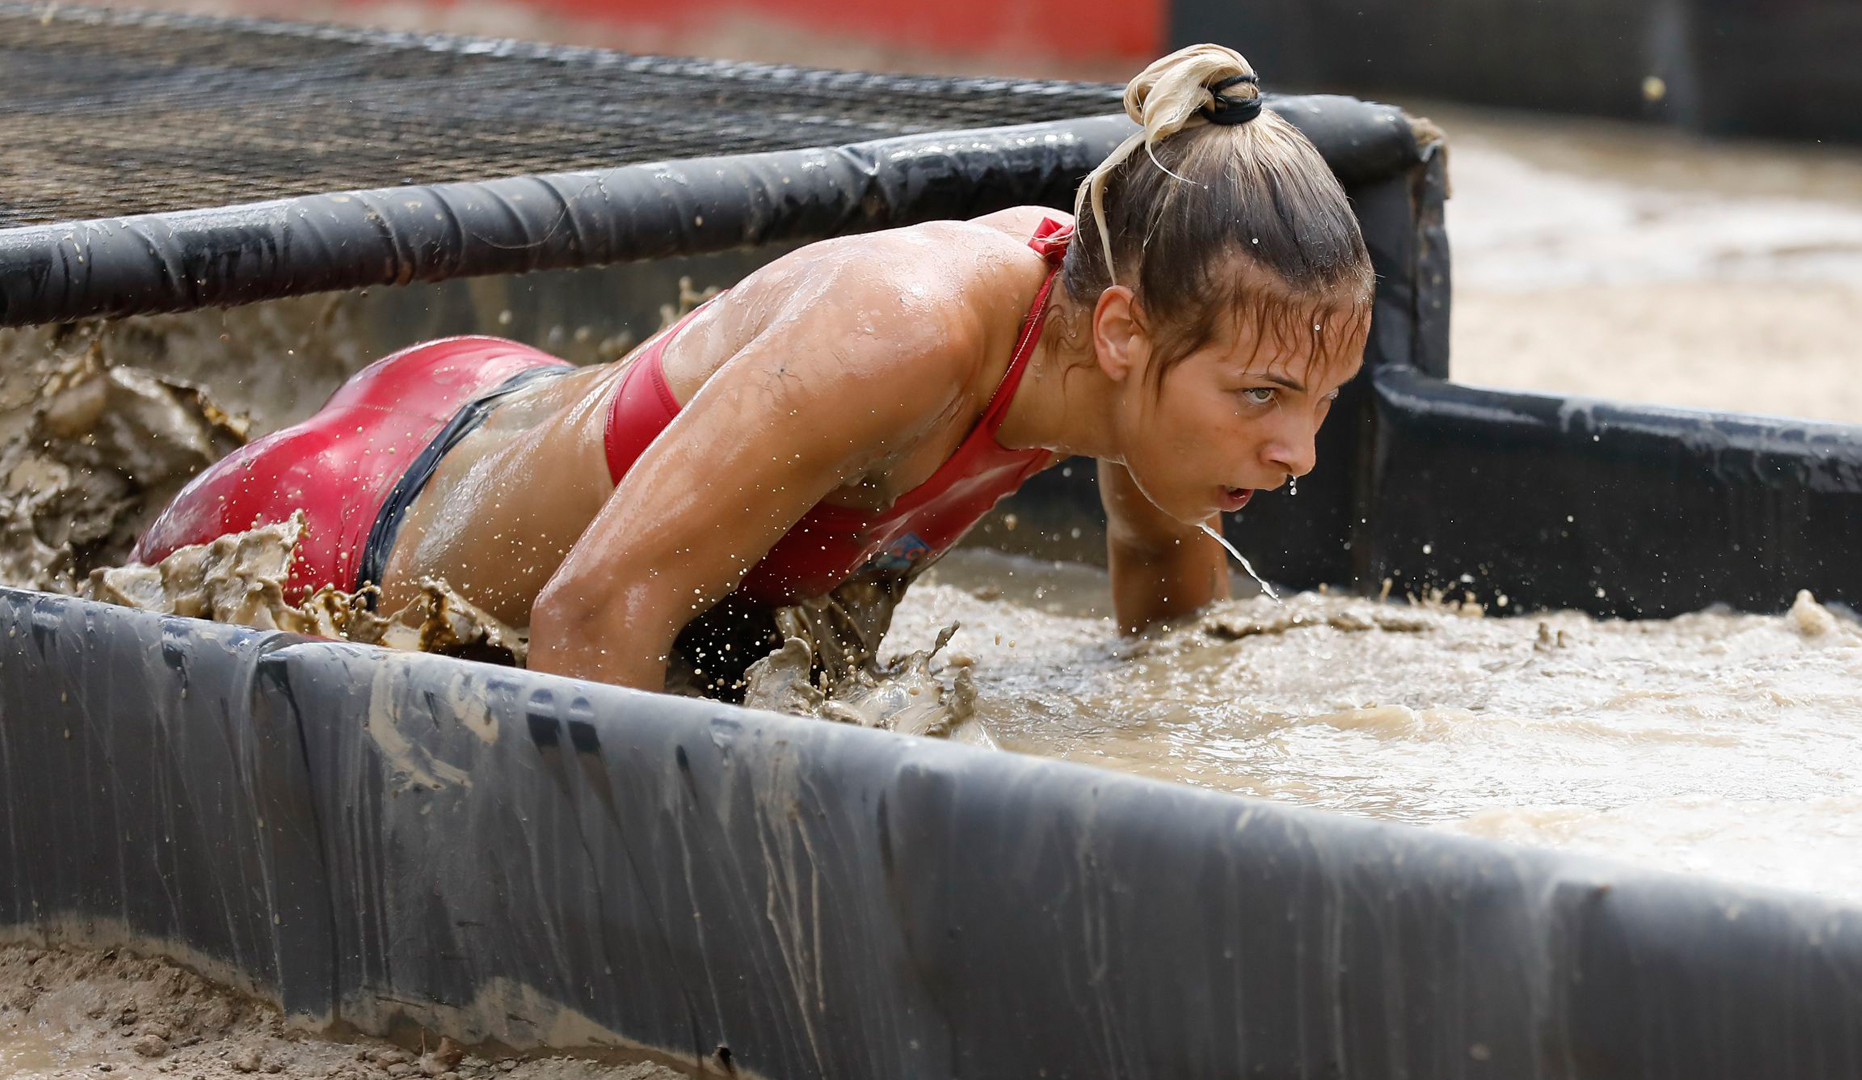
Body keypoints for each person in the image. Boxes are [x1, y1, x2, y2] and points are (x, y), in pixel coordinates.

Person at [132, 43, 1375, 698]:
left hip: (511, 416)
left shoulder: (1136, 321)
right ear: (1119, 337)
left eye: (1321, 402)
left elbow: (1161, 591)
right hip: (337, 533)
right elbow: (588, 617)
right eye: (1264, 399)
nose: (1298, 453)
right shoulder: (909, 332)